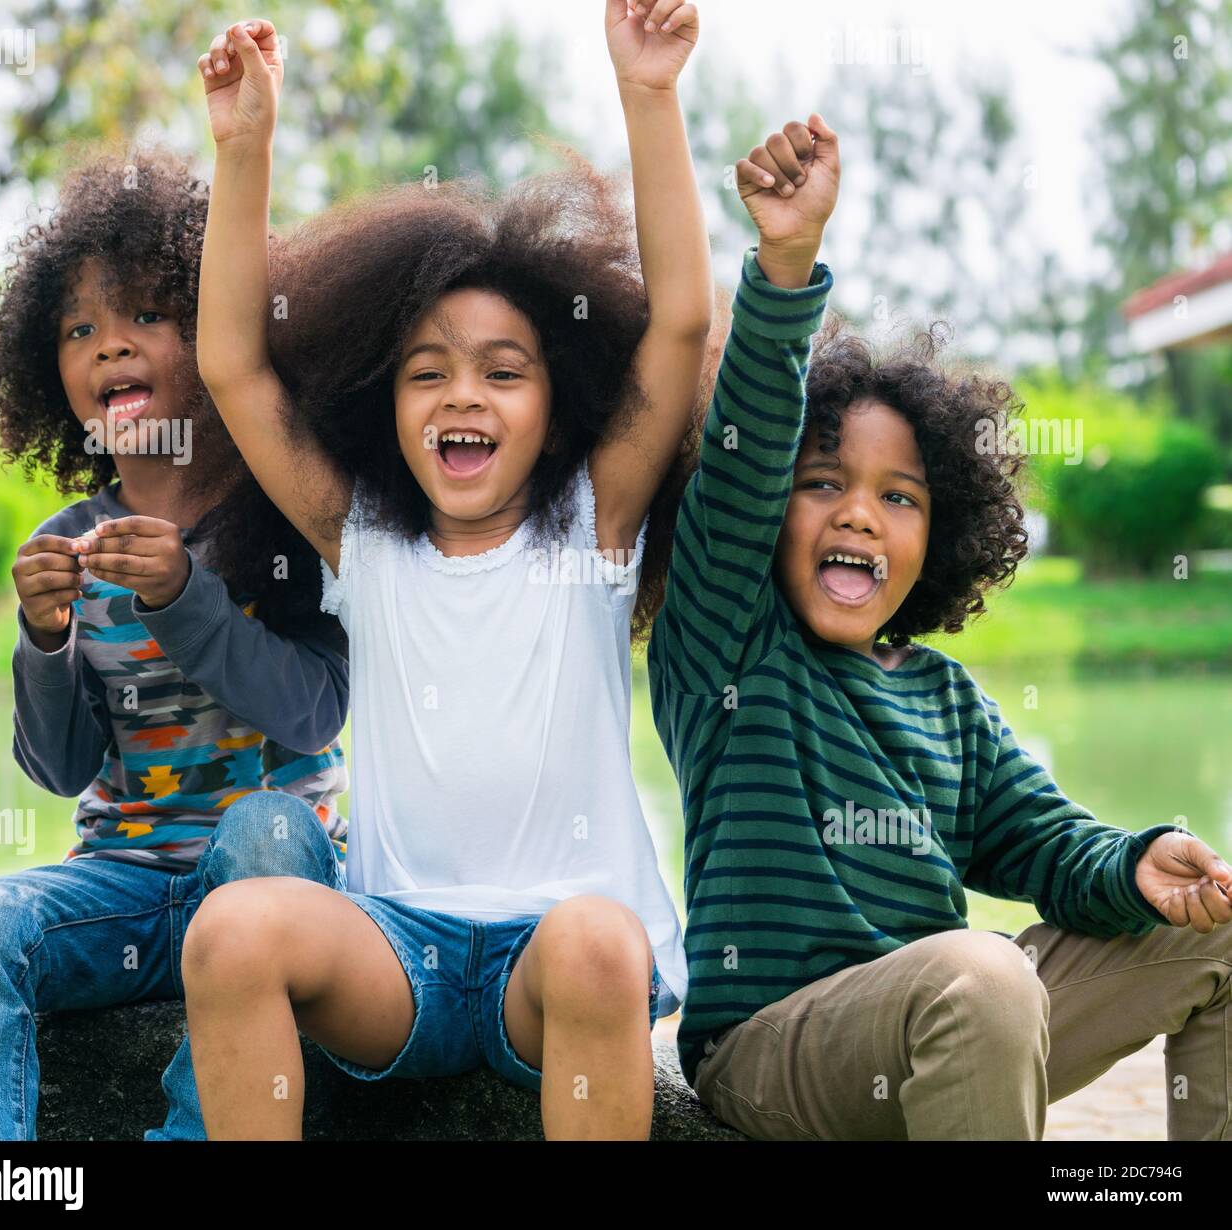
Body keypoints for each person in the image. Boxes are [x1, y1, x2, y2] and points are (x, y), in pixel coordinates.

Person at [178, 3, 711, 1141]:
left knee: (595, 939)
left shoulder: (590, 529)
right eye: (428, 373)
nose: (463, 395)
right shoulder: (361, 541)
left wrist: (649, 99)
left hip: (557, 967)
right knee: (231, 932)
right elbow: (230, 362)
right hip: (398, 962)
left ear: (558, 403)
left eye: (502, 372)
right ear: (388, 409)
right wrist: (243, 148)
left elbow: (677, 325)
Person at [647, 109, 1232, 1141]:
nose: (859, 512)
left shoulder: (946, 701)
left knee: (1215, 935)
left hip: (951, 1027)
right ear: (771, 512)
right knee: (981, 972)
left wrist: (1137, 864)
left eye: (900, 497)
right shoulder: (727, 645)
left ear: (940, 534)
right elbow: (739, 463)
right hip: (772, 1049)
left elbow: (1048, 846)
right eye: (820, 483)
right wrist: (785, 265)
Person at [0, 147, 349, 1141]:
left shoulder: (283, 520)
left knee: (263, 830)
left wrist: (186, 599)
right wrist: (43, 643)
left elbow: (313, 710)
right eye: (80, 329)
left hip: (270, 887)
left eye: (147, 317)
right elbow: (62, 766)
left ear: (216, 338)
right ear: (53, 375)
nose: (110, 345)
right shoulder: (62, 544)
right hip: (121, 883)